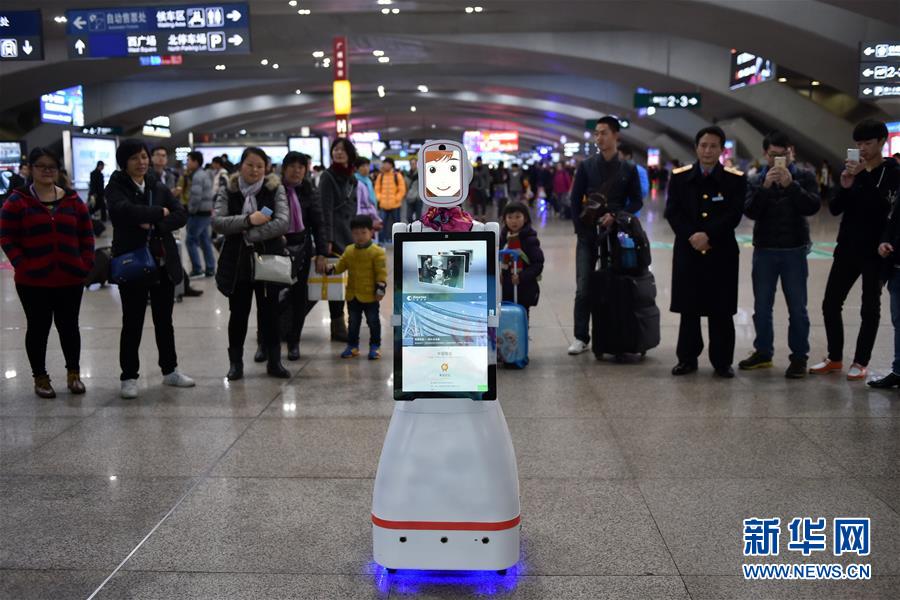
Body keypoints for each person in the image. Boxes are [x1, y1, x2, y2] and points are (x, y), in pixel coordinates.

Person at [0, 148, 95, 398]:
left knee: (69, 327)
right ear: (31, 169)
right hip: (33, 281)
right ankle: (40, 377)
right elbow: (6, 236)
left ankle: (74, 374)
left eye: (51, 166)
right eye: (41, 165)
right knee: (38, 328)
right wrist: (22, 264)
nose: (47, 170)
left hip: (70, 278)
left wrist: (84, 264)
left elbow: (86, 235)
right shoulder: (17, 201)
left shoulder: (73, 200)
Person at [107, 139, 195, 399]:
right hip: (133, 263)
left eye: (144, 156)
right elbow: (123, 211)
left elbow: (180, 214)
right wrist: (159, 211)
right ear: (124, 162)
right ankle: (128, 377)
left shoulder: (157, 184)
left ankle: (170, 370)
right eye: (135, 158)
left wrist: (155, 223)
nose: (142, 162)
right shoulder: (116, 186)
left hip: (162, 263)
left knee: (164, 321)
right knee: (132, 322)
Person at [812, 119, 894, 381]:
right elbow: (835, 208)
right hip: (847, 247)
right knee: (830, 303)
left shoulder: (892, 172)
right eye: (858, 144)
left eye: (868, 143)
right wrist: (846, 185)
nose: (863, 149)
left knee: (869, 308)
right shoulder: (852, 170)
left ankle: (861, 361)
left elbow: (884, 208)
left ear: (881, 142)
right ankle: (835, 357)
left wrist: (863, 177)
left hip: (875, 251)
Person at [665, 126, 746, 378]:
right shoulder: (680, 177)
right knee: (689, 307)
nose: (707, 150)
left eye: (713, 146)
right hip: (688, 250)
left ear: (721, 150)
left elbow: (734, 214)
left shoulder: (735, 179)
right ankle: (687, 359)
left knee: (721, 308)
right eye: (703, 145)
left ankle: (722, 361)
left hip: (721, 252)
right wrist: (693, 236)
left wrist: (708, 235)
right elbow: (673, 212)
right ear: (696, 148)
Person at [739, 131, 821, 378]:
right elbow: (750, 211)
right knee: (762, 306)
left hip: (794, 249)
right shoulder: (756, 179)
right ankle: (763, 352)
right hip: (764, 249)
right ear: (765, 154)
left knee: (797, 308)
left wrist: (791, 186)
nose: (778, 160)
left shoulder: (804, 176)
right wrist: (765, 187)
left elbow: (812, 206)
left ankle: (799, 357)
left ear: (791, 152)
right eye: (773, 155)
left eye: (783, 155)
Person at [567, 116, 643, 355]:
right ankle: (581, 336)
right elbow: (574, 199)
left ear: (616, 136)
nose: (599, 138)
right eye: (596, 133)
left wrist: (616, 215)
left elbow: (637, 200)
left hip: (617, 234)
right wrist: (581, 228)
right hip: (588, 233)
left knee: (616, 284)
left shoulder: (628, 168)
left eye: (604, 133)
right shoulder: (587, 166)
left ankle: (614, 335)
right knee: (584, 286)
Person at [213, 147, 291, 380]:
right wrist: (249, 220)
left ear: (266, 168)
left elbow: (283, 222)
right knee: (238, 314)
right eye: (250, 165)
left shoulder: (274, 189)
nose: (255, 170)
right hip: (237, 263)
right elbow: (218, 222)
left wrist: (249, 234)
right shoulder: (229, 190)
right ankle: (235, 363)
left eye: (260, 166)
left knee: (270, 314)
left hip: (268, 260)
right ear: (241, 166)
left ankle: (274, 362)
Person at [279, 152, 327, 361]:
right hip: (275, 249)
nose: (296, 170)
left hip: (302, 250)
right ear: (284, 168)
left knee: (299, 297)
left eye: (301, 167)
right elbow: (265, 214)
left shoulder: (309, 191)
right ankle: (266, 341)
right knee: (270, 298)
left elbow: (318, 223)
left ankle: (294, 342)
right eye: (292, 166)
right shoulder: (274, 189)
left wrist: (322, 253)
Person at [329, 214, 387, 360]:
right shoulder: (349, 250)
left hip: (371, 296)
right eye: (355, 233)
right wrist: (331, 269)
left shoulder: (377, 252)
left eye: (363, 232)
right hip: (353, 295)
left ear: (371, 232)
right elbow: (341, 265)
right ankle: (352, 346)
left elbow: (381, 272)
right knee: (353, 322)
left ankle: (375, 346)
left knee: (373, 322)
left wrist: (381, 287)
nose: (359, 236)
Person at [319, 138, 359, 342]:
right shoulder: (327, 177)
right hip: (334, 237)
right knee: (334, 282)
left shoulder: (352, 178)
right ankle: (337, 325)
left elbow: (353, 209)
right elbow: (324, 210)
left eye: (343, 149)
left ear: (350, 154)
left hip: (350, 236)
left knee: (346, 282)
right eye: (335, 149)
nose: (338, 152)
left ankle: (345, 323)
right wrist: (327, 239)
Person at [151, 146, 202, 298]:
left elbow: (174, 204)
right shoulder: (148, 176)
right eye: (158, 155)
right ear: (152, 158)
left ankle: (181, 286)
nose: (161, 158)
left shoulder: (170, 176)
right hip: (154, 223)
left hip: (168, 222)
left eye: (164, 155)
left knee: (172, 254)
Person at [500, 202, 544, 319]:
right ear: (504, 219)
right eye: (510, 217)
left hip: (524, 287)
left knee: (521, 316)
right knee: (506, 315)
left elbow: (538, 264)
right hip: (506, 287)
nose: (514, 221)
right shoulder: (503, 238)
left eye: (518, 217)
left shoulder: (530, 240)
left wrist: (522, 276)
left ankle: (523, 330)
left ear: (525, 218)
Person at [183, 151, 216, 277]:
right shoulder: (205, 174)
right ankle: (210, 268)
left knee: (190, 241)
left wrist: (191, 210)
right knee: (205, 240)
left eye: (189, 160)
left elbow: (196, 196)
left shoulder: (197, 176)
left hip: (198, 213)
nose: (187, 163)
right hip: (206, 212)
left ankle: (197, 269)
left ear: (196, 162)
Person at [374, 157, 407, 238]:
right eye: (384, 164)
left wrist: (397, 198)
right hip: (383, 204)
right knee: (382, 224)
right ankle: (382, 241)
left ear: (391, 165)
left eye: (387, 164)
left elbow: (402, 189)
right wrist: (379, 198)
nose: (385, 165)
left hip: (395, 205)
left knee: (397, 224)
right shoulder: (381, 176)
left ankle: (398, 239)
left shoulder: (397, 175)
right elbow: (377, 188)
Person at [404, 157, 423, 222]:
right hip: (410, 198)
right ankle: (412, 226)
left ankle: (417, 227)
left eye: (414, 163)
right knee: (408, 217)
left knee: (418, 217)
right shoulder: (407, 175)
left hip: (418, 198)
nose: (413, 165)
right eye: (411, 164)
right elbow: (405, 186)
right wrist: (406, 194)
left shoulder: (420, 174)